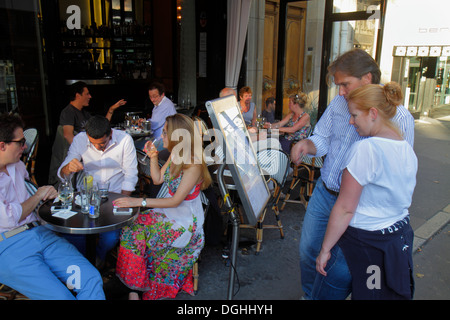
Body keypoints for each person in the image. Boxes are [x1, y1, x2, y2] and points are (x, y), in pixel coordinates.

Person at [290, 48, 415, 300]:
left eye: (345, 84)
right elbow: (322, 138)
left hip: (358, 209)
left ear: (367, 78)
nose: (341, 92)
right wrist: (308, 145)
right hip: (326, 194)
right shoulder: (338, 104)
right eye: (338, 86)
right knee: (309, 252)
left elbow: (396, 173)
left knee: (341, 269)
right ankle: (310, 295)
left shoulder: (398, 118)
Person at [316, 82, 417, 300]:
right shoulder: (406, 149)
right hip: (396, 239)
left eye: (354, 115)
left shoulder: (366, 149)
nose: (351, 122)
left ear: (373, 113)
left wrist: (325, 249)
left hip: (362, 242)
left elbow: (345, 208)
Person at [0, 113, 105, 300]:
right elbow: (9, 217)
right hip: (8, 246)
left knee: (91, 279)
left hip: (40, 234)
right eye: (20, 142)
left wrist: (49, 196)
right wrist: (40, 194)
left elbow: (31, 199)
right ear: (2, 145)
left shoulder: (17, 166)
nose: (25, 147)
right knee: (61, 297)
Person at [113, 113, 212, 300]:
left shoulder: (193, 163)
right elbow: (158, 179)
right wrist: (153, 157)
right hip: (169, 213)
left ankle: (137, 288)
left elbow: (175, 201)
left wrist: (139, 202)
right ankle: (135, 287)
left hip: (185, 221)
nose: (161, 136)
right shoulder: (176, 154)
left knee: (139, 232)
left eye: (165, 132)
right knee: (130, 228)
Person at [58, 115, 138, 267]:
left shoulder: (124, 139)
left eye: (101, 144)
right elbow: (63, 173)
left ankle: (98, 258)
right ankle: (85, 265)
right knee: (73, 236)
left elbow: (131, 175)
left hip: (115, 195)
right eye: (92, 144)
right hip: (86, 196)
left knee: (110, 239)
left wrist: (121, 202)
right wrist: (68, 168)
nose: (96, 148)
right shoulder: (80, 139)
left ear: (111, 134)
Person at [48, 81, 127, 185]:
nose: (90, 96)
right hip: (73, 155)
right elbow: (67, 135)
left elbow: (101, 129)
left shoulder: (84, 113)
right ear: (78, 95)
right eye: (87, 94)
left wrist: (111, 110)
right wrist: (87, 152)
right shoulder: (68, 112)